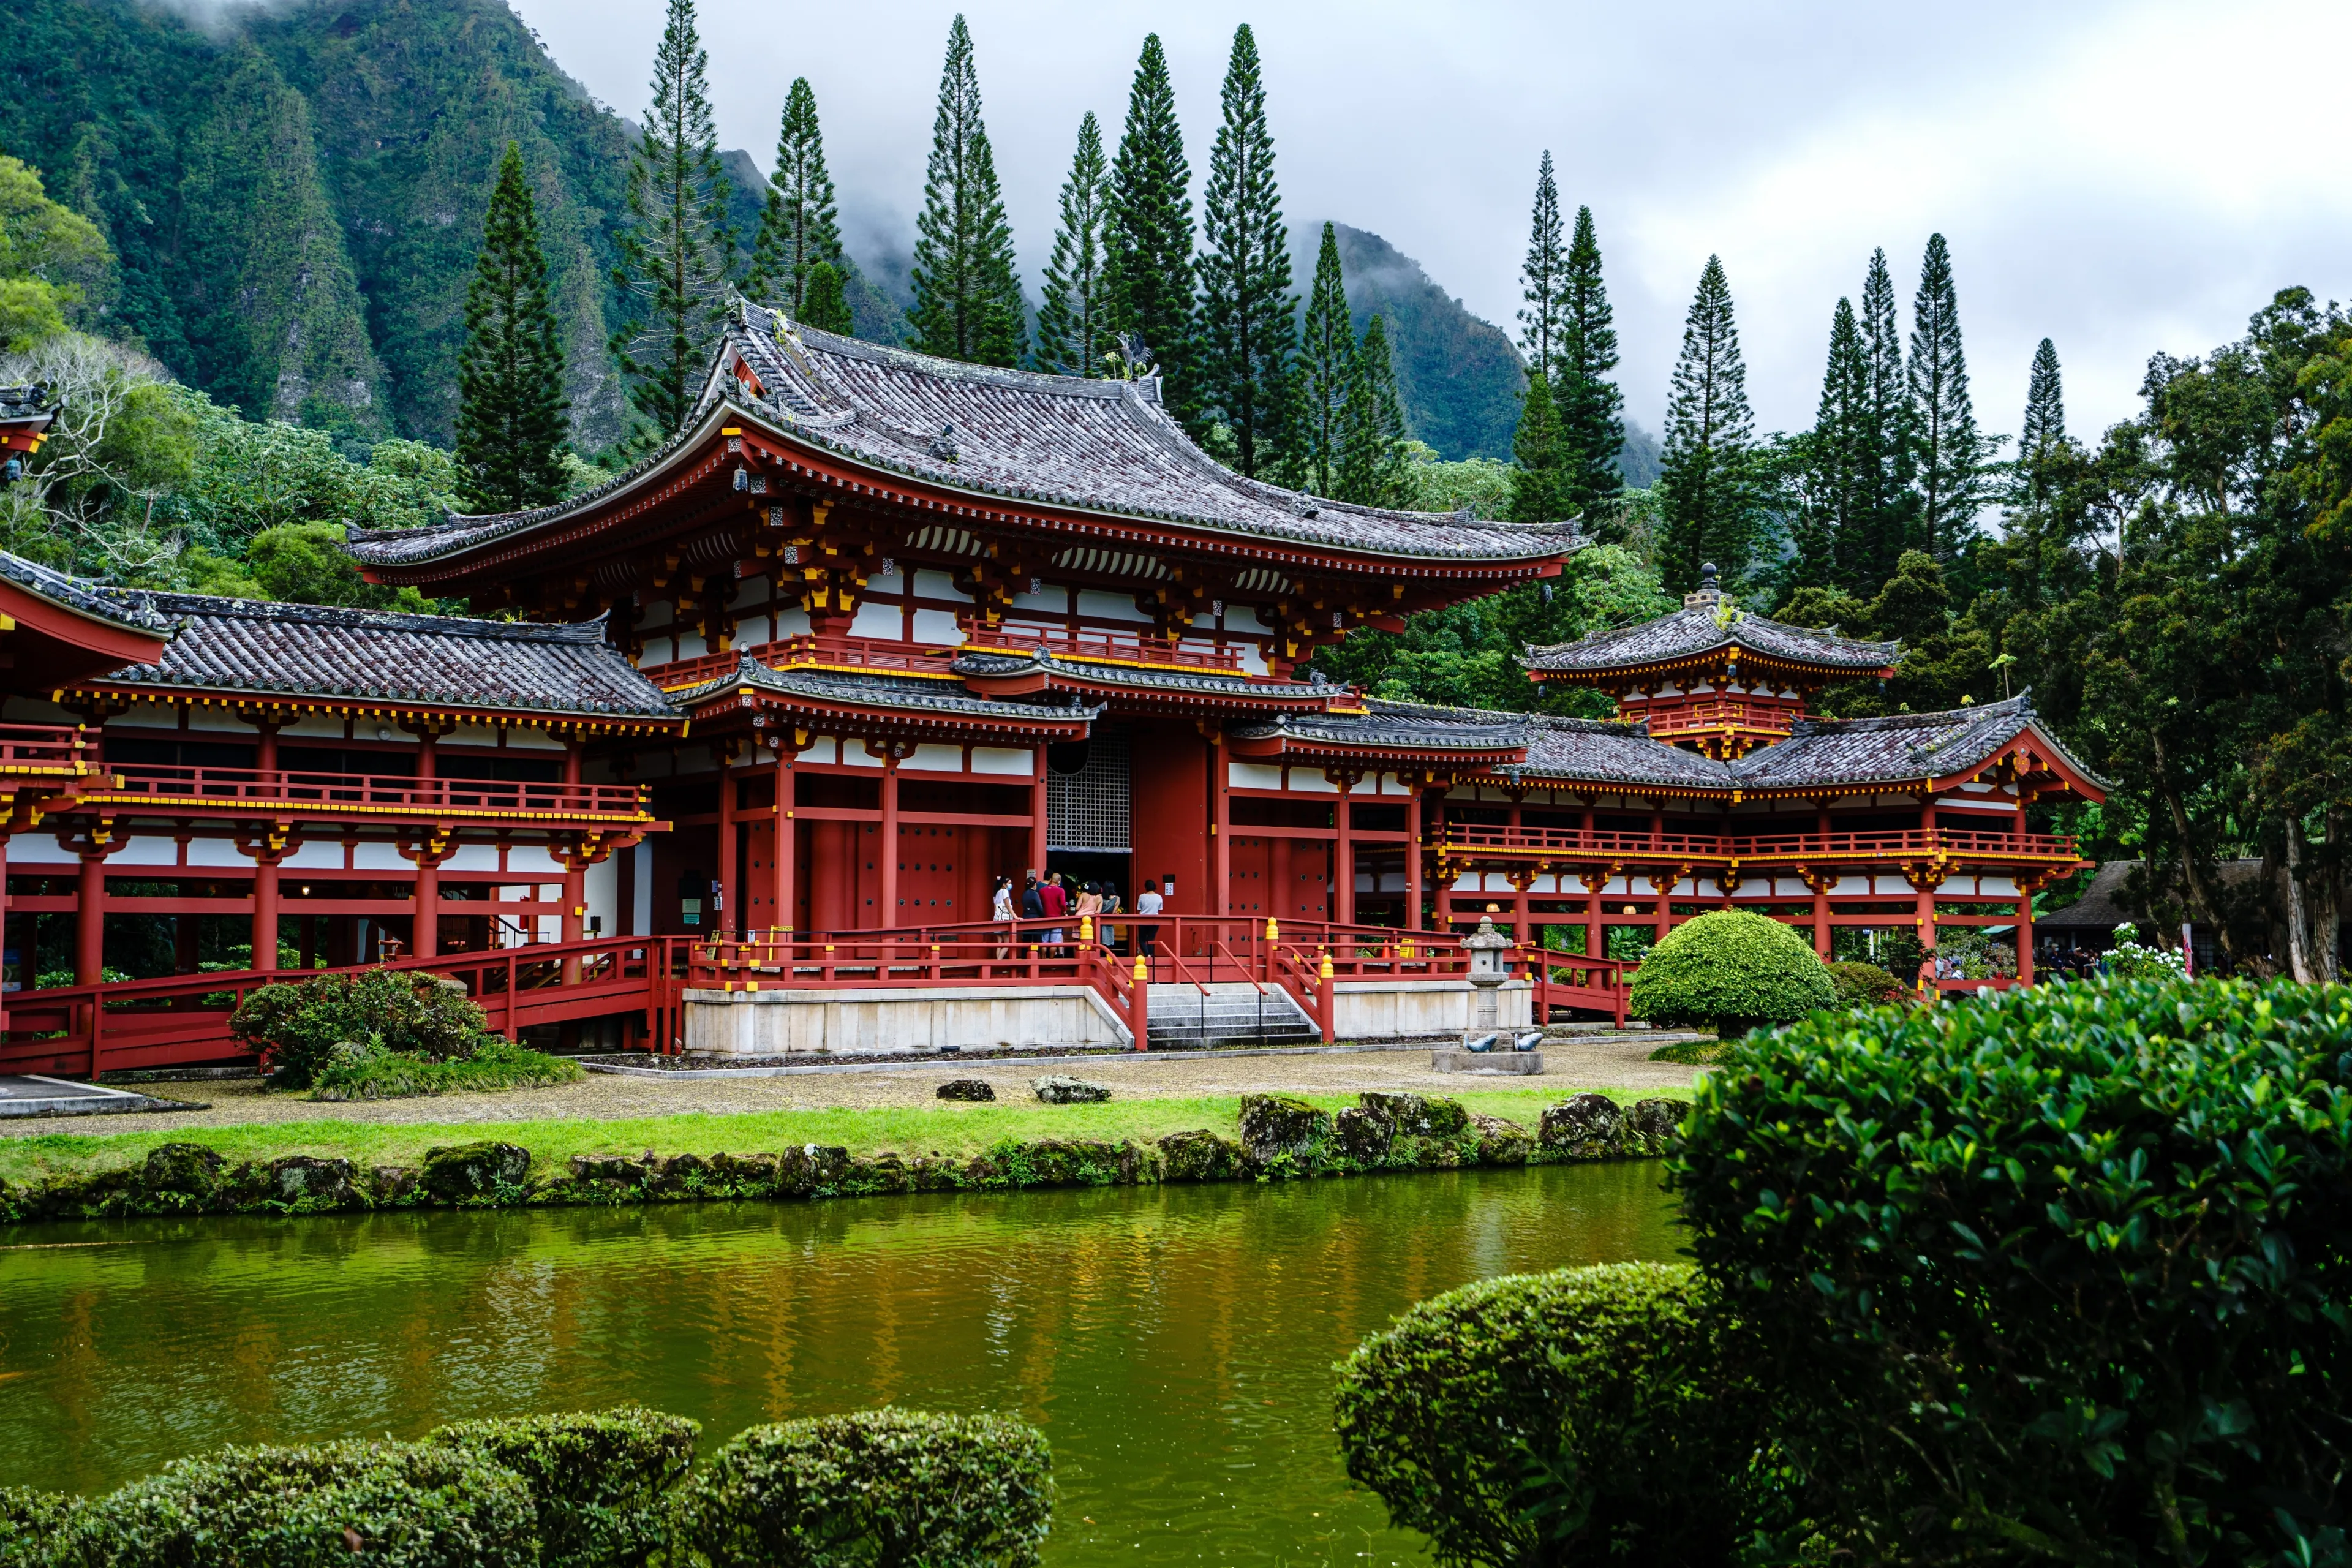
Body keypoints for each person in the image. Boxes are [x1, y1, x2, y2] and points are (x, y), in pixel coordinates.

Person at [1134, 878, 1163, 969]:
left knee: (1142, 939)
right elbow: (1160, 909)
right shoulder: (1159, 897)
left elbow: (1139, 908)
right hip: (1155, 920)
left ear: (1146, 887)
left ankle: (1147, 955)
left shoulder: (1142, 897)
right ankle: (1151, 956)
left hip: (1143, 919)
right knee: (1151, 939)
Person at [1040, 872, 1068, 954]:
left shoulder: (1042, 891)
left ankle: (1043, 961)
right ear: (1059, 882)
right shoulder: (1061, 890)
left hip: (1045, 918)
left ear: (1051, 880)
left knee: (1044, 941)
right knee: (1054, 942)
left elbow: (1041, 904)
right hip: (1057, 919)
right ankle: (1052, 961)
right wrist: (1064, 912)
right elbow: (1063, 904)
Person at [991, 875, 1016, 960]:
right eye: (1009, 883)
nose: (1010, 885)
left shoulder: (996, 893)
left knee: (999, 943)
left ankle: (997, 963)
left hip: (997, 919)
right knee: (1007, 943)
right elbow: (1008, 906)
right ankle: (999, 962)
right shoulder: (1005, 892)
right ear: (1004, 884)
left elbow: (995, 908)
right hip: (1004, 919)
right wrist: (1015, 917)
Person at [1074, 881, 1104, 946]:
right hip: (1091, 919)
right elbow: (1098, 912)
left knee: (1077, 939)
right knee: (1089, 938)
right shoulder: (1100, 898)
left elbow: (1077, 908)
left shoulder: (1083, 895)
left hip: (1079, 918)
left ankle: (1076, 955)